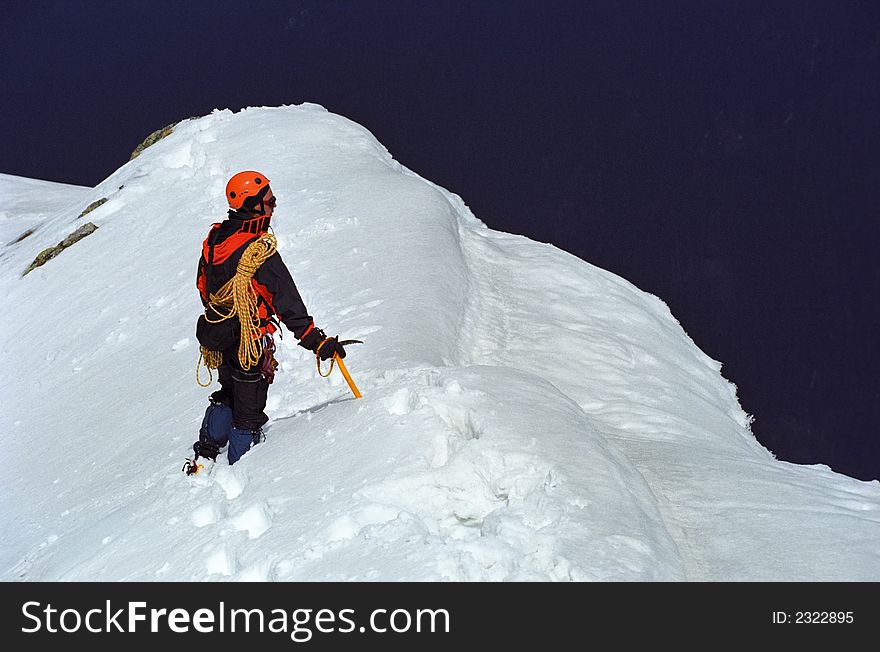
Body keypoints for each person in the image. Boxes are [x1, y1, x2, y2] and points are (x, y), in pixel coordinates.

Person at [189, 170, 346, 469]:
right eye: (270, 201)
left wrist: (225, 317)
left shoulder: (213, 243)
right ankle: (242, 469)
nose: (274, 207)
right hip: (249, 338)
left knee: (228, 393)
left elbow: (203, 286)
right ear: (253, 204)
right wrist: (316, 341)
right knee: (249, 407)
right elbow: (285, 299)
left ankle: (207, 450)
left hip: (219, 335)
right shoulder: (257, 250)